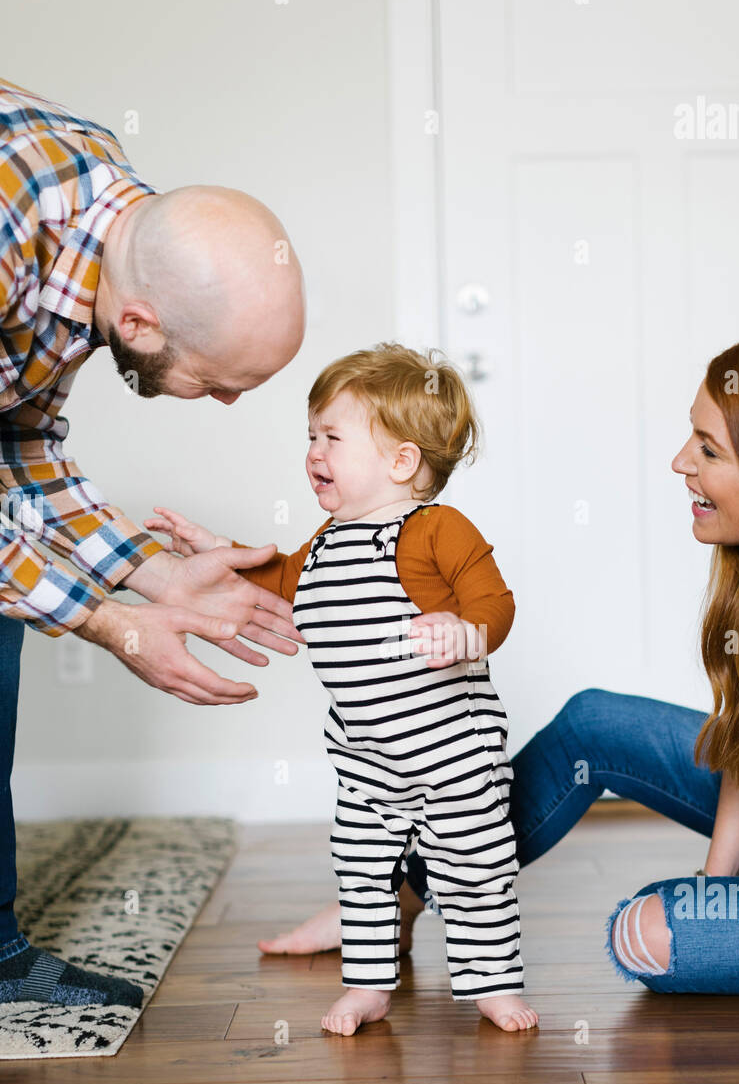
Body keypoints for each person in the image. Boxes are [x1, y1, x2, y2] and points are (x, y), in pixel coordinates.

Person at [268, 329, 739, 995]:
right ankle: (391, 909)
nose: (678, 462)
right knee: (591, 724)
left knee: (649, 935)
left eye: (708, 449)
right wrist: (714, 886)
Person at [0, 80, 306, 1011]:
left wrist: (157, 574)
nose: (225, 407)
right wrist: (108, 623)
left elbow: (19, 442)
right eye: (217, 385)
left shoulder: (111, 222)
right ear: (138, 324)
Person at [147, 342, 538, 1034]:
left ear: (401, 461)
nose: (313, 452)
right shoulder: (328, 539)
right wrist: (212, 552)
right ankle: (368, 985)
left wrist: (463, 632)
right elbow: (275, 582)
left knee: (477, 868)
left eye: (332, 437)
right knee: (361, 875)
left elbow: (496, 604)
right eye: (310, 436)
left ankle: (492, 986)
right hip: (365, 759)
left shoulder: (433, 530)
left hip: (453, 753)